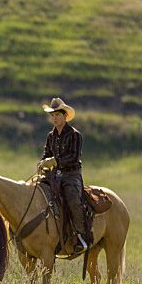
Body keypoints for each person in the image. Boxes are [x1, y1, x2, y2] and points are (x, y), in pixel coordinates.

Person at [37, 97, 91, 252]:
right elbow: (46, 154)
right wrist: (43, 163)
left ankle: (81, 235)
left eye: (57, 115)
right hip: (54, 175)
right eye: (52, 115)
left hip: (71, 175)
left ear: (65, 116)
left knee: (73, 199)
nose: (54, 118)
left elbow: (74, 157)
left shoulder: (75, 135)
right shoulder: (50, 136)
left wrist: (54, 161)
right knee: (36, 190)